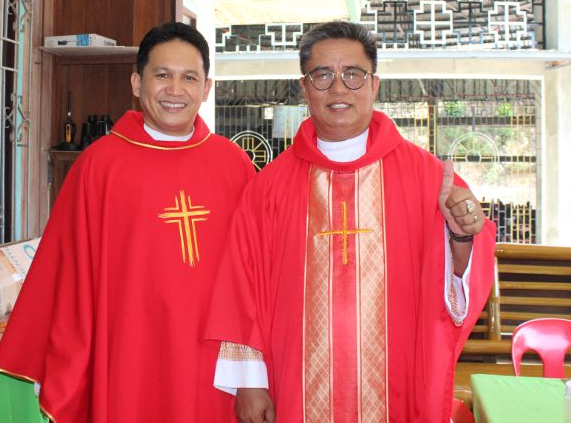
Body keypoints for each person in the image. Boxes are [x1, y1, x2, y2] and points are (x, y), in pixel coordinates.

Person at [206, 21, 496, 423]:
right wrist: (250, 383)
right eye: (322, 75)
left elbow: (459, 284)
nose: (338, 88)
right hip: (295, 384)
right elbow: (243, 288)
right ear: (304, 88)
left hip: (397, 384)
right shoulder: (269, 187)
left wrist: (460, 236)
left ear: (374, 85)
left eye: (353, 75)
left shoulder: (428, 178)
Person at [0, 22, 256, 422]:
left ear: (207, 89)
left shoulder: (233, 164)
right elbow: (65, 274)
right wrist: (60, 367)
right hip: (130, 354)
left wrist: (253, 373)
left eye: (189, 78)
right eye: (162, 75)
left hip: (216, 363)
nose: (175, 90)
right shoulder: (100, 165)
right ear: (136, 82)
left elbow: (256, 275)